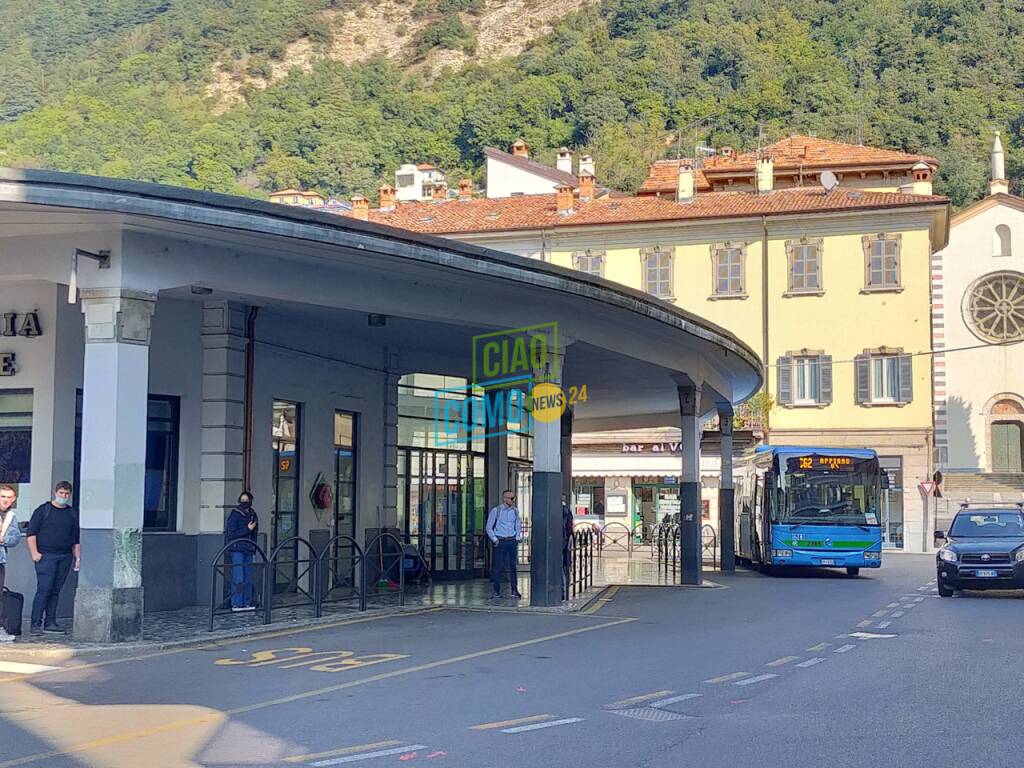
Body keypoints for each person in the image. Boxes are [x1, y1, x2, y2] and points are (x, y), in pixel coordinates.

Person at [26, 481, 79, 635]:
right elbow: (31, 533)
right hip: (46, 556)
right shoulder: (44, 510)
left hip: (65, 556)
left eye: (67, 494)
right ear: (56, 493)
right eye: (61, 493)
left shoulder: (72, 513)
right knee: (44, 589)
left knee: (55, 590)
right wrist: (35, 553)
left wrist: (77, 558)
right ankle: (36, 623)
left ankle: (50, 622)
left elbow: (76, 539)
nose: (64, 496)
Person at [225, 491, 259, 612]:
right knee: (238, 577)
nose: (244, 501)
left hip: (249, 549)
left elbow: (255, 533)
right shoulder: (235, 514)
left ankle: (247, 602)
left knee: (248, 577)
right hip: (237, 548)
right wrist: (247, 529)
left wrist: (254, 547)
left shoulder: (253, 514)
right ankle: (236, 604)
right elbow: (231, 534)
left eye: (247, 499)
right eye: (242, 499)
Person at [486, 489, 522, 599]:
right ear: (505, 498)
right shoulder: (496, 511)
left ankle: (514, 590)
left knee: (513, 566)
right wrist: (495, 540)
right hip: (500, 541)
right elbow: (489, 527)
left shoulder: (515, 511)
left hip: (511, 541)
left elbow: (517, 525)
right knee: (498, 566)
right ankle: (496, 591)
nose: (513, 500)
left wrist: (516, 538)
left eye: (513, 498)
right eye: (511, 498)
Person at [0, 485, 24, 642]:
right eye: (3, 496)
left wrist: (3, 539)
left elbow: (15, 537)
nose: (5, 500)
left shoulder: (10, 516)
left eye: (9, 497)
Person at [561, 495, 573, 599]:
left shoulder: (563, 511)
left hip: (561, 539)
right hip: (565, 539)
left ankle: (563, 590)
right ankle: (564, 590)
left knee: (561, 565)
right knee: (564, 565)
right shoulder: (567, 510)